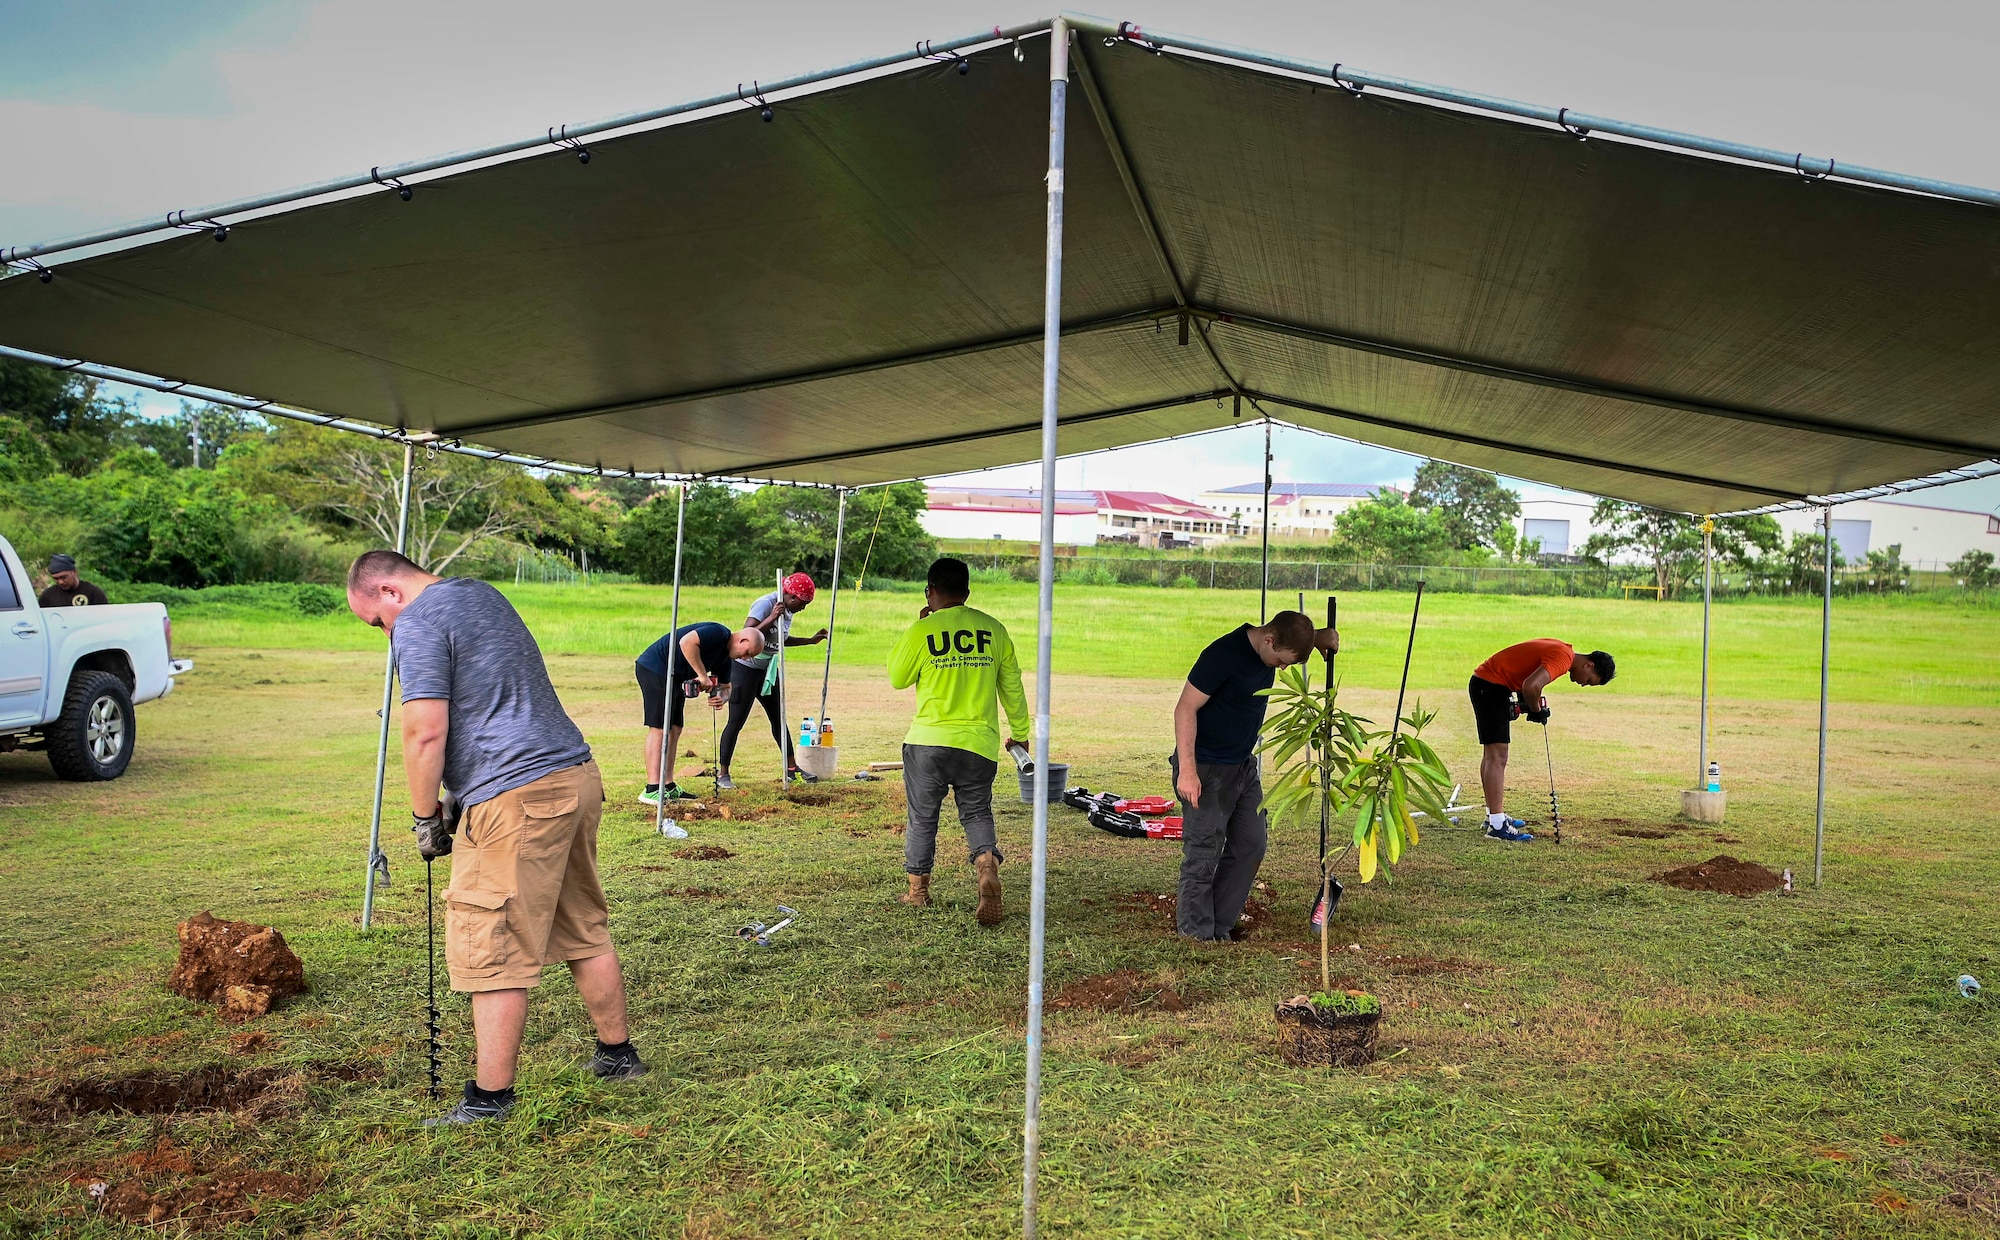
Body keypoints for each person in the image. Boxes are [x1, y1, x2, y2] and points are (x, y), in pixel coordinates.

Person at [344, 549, 644, 1126]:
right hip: (573, 775)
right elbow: (494, 698)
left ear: (388, 592)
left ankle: (489, 1102)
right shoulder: (480, 594)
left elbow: (424, 730)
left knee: (493, 943)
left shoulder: (420, 620)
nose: (384, 636)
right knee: (581, 921)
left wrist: (425, 814)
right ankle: (617, 1055)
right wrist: (463, 789)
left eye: (377, 624)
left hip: (519, 797)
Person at [1171, 612, 1336, 941]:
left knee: (1251, 844)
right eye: (1280, 661)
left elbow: (1295, 633)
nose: (1282, 668)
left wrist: (1320, 638)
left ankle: (1218, 926)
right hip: (1205, 766)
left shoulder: (1274, 642)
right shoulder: (1222, 655)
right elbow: (1184, 709)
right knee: (1204, 850)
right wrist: (1187, 771)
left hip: (1243, 765)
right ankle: (1195, 935)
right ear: (1269, 641)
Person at [886, 557, 1030, 925]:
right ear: (967, 592)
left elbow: (898, 677)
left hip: (928, 742)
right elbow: (1011, 686)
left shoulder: (924, 630)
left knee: (922, 818)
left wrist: (922, 627)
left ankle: (918, 893)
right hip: (978, 744)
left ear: (929, 591)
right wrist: (1021, 733)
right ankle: (985, 865)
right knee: (977, 811)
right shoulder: (993, 629)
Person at [1467, 640, 1615, 842]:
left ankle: (1493, 816)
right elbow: (1531, 685)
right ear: (1588, 665)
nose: (1582, 684)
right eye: (1588, 681)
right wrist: (1536, 711)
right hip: (1490, 687)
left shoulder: (1563, 650)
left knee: (1492, 755)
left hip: (1489, 685)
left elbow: (1526, 677)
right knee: (1497, 757)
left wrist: (1530, 702)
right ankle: (1497, 826)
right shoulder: (1564, 658)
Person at [717, 572, 828, 790]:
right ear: (791, 597)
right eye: (802, 604)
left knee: (779, 718)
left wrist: (810, 641)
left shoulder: (787, 610)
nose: (803, 608)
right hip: (745, 670)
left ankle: (792, 768)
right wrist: (771, 617)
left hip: (767, 670)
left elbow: (780, 640)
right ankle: (723, 774)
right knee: (736, 722)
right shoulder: (766, 604)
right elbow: (746, 636)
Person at [635, 621, 764, 804]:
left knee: (675, 728)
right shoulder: (718, 633)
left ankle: (668, 784)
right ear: (742, 640)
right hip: (655, 668)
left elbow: (726, 687)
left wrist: (722, 698)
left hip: (674, 677)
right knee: (660, 727)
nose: (745, 658)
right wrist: (702, 675)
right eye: (748, 653)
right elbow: (687, 642)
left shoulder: (725, 658)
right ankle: (652, 788)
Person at [37, 553, 107, 607]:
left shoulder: (93, 593)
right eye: (56, 579)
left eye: (64, 577)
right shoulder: (48, 596)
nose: (60, 582)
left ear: (74, 572)